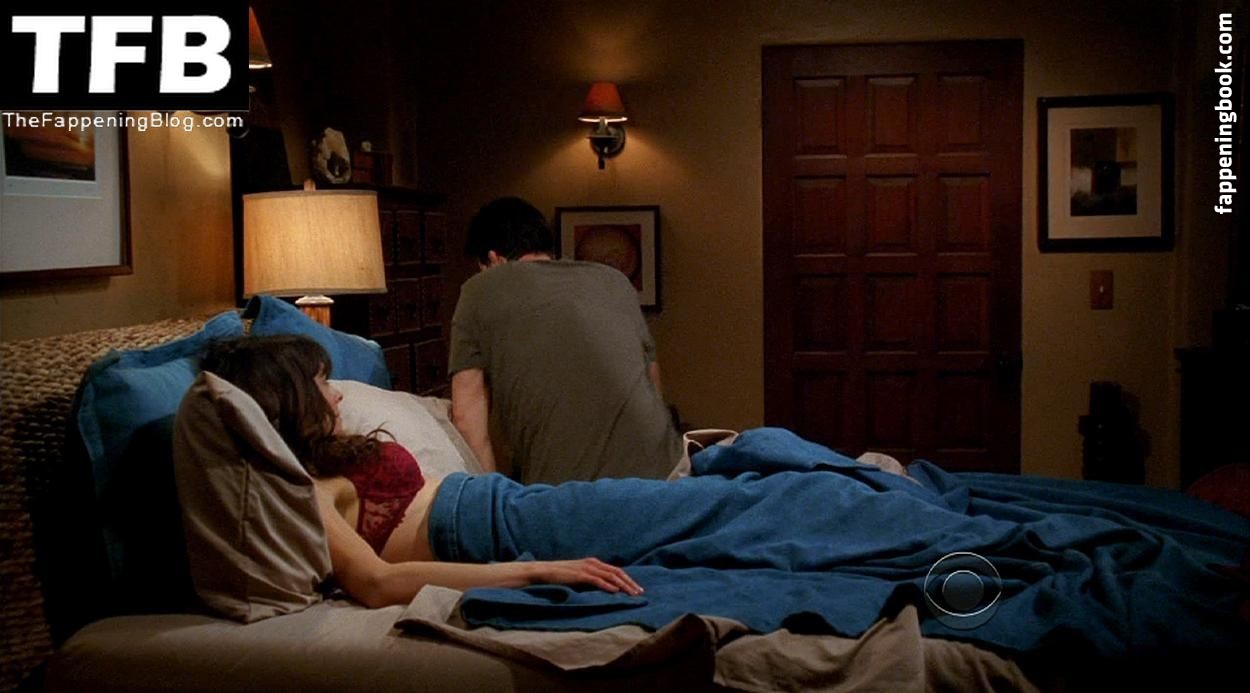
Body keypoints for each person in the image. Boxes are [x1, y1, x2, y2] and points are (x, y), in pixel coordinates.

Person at [199, 335, 1248, 661]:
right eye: (319, 382)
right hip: (518, 528)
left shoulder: (353, 444)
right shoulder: (314, 491)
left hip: (531, 500)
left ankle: (909, 519)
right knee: (764, 519)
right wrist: (531, 571)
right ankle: (926, 536)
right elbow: (378, 584)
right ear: (284, 404)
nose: (337, 390)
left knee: (754, 495)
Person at [447, 196, 681, 483]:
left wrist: (493, 495)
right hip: (667, 473)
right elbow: (652, 380)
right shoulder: (615, 280)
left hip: (569, 489)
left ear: (493, 258)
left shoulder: (479, 290)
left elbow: (466, 416)